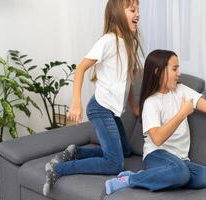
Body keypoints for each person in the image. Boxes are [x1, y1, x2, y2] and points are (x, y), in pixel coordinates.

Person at [105, 49, 206, 194]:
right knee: (180, 172)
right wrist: (182, 114)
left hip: (180, 160)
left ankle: (158, 176)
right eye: (174, 69)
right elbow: (157, 139)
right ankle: (130, 179)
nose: (179, 73)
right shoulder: (151, 103)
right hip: (156, 155)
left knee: (204, 176)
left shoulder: (181, 90)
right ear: (158, 72)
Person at [43, 0, 143, 196]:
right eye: (132, 9)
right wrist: (76, 102)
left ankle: (76, 152)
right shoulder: (108, 40)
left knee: (126, 151)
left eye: (138, 9)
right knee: (115, 163)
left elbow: (127, 80)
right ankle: (57, 169)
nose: (137, 13)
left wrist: (134, 108)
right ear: (117, 13)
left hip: (112, 111)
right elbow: (81, 68)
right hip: (100, 108)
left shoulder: (128, 43)